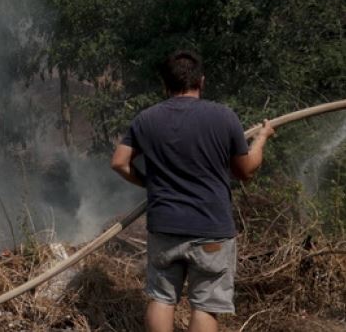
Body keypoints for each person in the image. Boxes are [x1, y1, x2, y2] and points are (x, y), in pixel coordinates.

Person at [110, 50, 275, 332]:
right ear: (202, 80)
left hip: (165, 226)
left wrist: (150, 183)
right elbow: (245, 171)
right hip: (211, 228)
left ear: (165, 84)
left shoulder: (146, 119)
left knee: (162, 298)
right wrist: (261, 139)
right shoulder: (224, 116)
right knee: (205, 305)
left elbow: (119, 163)